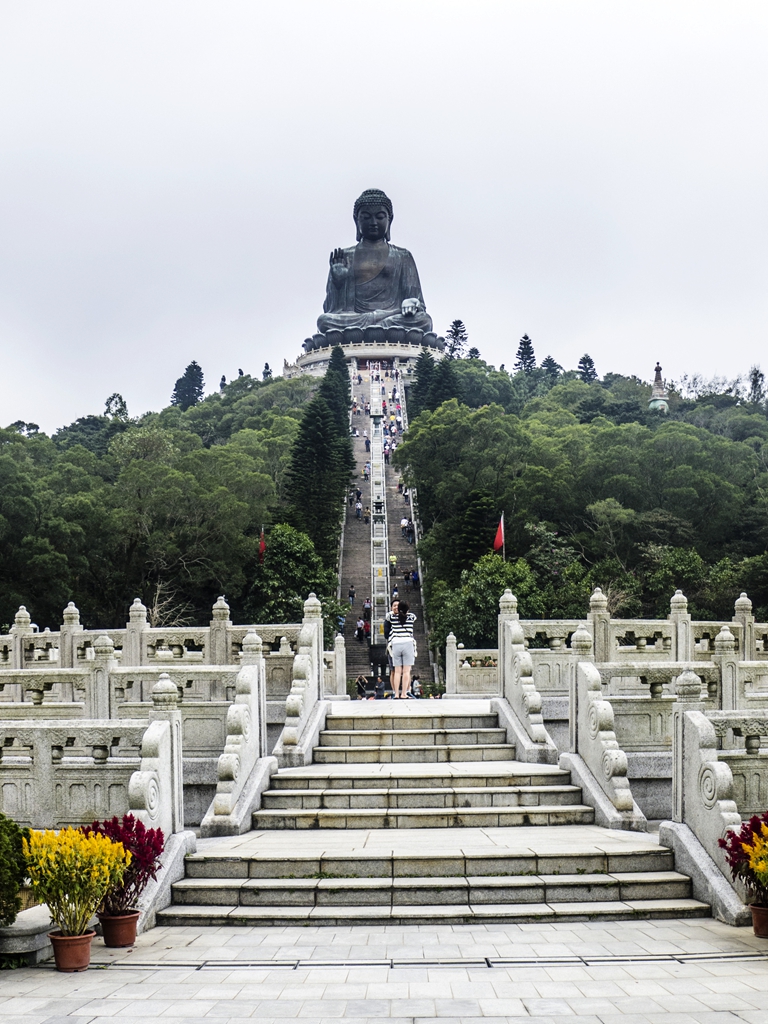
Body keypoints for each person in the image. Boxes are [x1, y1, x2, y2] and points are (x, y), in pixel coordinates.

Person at [386, 600, 417, 699]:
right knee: (406, 671)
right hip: (408, 643)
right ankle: (404, 693)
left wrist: (397, 611)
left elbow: (388, 615)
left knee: (397, 671)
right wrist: (404, 611)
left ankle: (396, 694)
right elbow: (411, 615)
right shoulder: (411, 617)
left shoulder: (392, 617)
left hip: (396, 643)